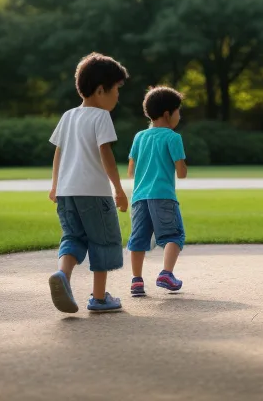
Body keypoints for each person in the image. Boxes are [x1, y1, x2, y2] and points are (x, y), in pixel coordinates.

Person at [48, 52, 129, 313]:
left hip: (66, 192)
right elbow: (105, 153)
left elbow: (58, 152)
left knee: (73, 237)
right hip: (94, 193)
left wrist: (54, 185)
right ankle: (99, 297)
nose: (118, 96)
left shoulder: (68, 116)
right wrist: (118, 188)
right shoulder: (100, 117)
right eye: (116, 90)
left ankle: (63, 274)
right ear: (100, 89)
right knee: (102, 241)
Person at [127, 86, 188, 297]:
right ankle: (166, 273)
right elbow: (181, 173)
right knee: (174, 235)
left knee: (138, 239)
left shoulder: (139, 137)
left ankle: (136, 281)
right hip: (163, 195)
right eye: (178, 111)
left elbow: (131, 170)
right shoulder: (173, 137)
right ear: (167, 114)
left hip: (139, 196)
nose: (179, 116)